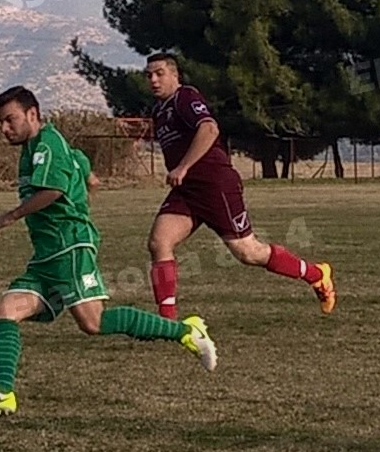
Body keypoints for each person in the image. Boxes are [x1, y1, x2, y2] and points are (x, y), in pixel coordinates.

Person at [0, 86, 217, 415]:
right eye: (1, 122)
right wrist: (86, 186)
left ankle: (186, 332)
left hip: (70, 248)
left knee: (94, 323)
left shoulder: (47, 144)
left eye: (10, 120)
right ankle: (3, 393)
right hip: (47, 256)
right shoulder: (41, 145)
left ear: (33, 114)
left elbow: (54, 188)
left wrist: (14, 214)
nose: (5, 128)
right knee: (3, 312)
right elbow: (84, 168)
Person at [142, 53, 336, 317]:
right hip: (187, 190)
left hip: (215, 186)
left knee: (248, 252)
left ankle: (317, 275)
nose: (153, 80)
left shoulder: (184, 97)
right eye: (149, 75)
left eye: (159, 73)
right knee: (159, 242)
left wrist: (183, 166)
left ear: (175, 75)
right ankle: (168, 321)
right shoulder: (159, 110)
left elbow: (209, 129)